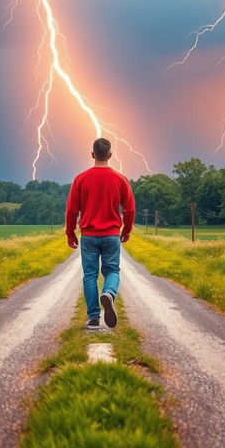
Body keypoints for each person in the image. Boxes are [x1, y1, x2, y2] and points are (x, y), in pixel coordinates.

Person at [65, 138, 136, 330]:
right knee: (112, 270)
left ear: (92, 154)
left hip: (88, 235)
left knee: (90, 275)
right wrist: (126, 230)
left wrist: (70, 234)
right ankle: (109, 293)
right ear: (110, 155)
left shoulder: (80, 179)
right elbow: (129, 210)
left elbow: (71, 210)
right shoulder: (120, 179)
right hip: (112, 235)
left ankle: (94, 317)